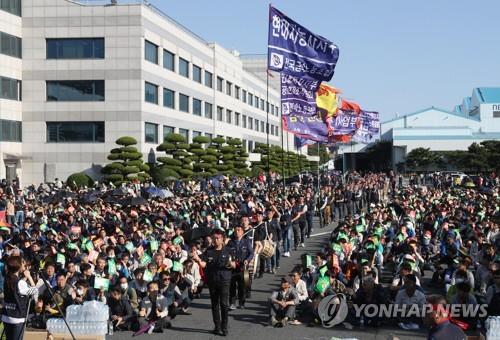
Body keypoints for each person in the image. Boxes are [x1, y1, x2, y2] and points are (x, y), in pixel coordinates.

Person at [192, 228, 236, 336]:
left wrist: (230, 264)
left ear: (222, 239)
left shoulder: (229, 250)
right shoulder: (209, 251)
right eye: (214, 238)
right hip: (212, 280)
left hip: (225, 280)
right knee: (215, 304)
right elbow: (204, 264)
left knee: (224, 304)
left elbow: (235, 265)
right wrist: (197, 259)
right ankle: (217, 327)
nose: (215, 240)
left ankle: (224, 327)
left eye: (218, 238)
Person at [2, 255, 38, 340]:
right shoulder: (20, 283)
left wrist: (24, 278)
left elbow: (18, 288)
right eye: (22, 263)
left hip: (7, 315)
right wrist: (29, 277)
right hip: (17, 317)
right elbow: (35, 291)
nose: (24, 265)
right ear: (18, 266)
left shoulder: (7, 279)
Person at [227, 225, 253, 310]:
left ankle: (242, 303)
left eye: (239, 230)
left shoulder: (246, 242)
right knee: (232, 286)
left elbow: (251, 253)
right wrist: (230, 261)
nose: (237, 232)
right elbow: (226, 253)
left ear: (242, 232)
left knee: (243, 286)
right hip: (233, 268)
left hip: (243, 268)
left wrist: (247, 260)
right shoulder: (230, 242)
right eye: (235, 230)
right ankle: (232, 303)